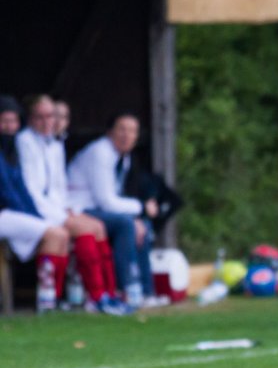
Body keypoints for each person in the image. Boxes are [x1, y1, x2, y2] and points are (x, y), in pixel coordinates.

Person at [15, 95, 130, 315]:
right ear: (30, 118)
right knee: (85, 230)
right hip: (38, 210)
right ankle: (94, 295)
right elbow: (32, 189)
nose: (48, 122)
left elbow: (59, 186)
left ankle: (108, 293)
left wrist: (67, 209)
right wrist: (59, 215)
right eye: (41, 117)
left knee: (98, 227)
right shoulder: (25, 141)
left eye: (51, 116)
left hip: (56, 206)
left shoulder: (55, 145)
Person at [66, 112, 165, 307]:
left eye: (132, 131)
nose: (126, 135)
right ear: (110, 132)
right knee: (125, 224)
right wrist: (141, 208)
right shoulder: (101, 152)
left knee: (142, 226)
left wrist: (140, 214)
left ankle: (146, 291)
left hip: (97, 209)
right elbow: (106, 202)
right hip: (80, 209)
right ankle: (126, 288)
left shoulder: (124, 158)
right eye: (122, 129)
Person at [1, 95, 69, 313]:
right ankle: (46, 299)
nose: (10, 127)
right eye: (4, 121)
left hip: (13, 214)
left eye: (13, 121)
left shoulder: (11, 152)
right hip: (4, 214)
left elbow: (22, 190)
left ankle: (54, 296)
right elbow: (7, 193)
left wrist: (35, 216)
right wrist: (34, 218)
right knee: (55, 234)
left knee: (60, 233)